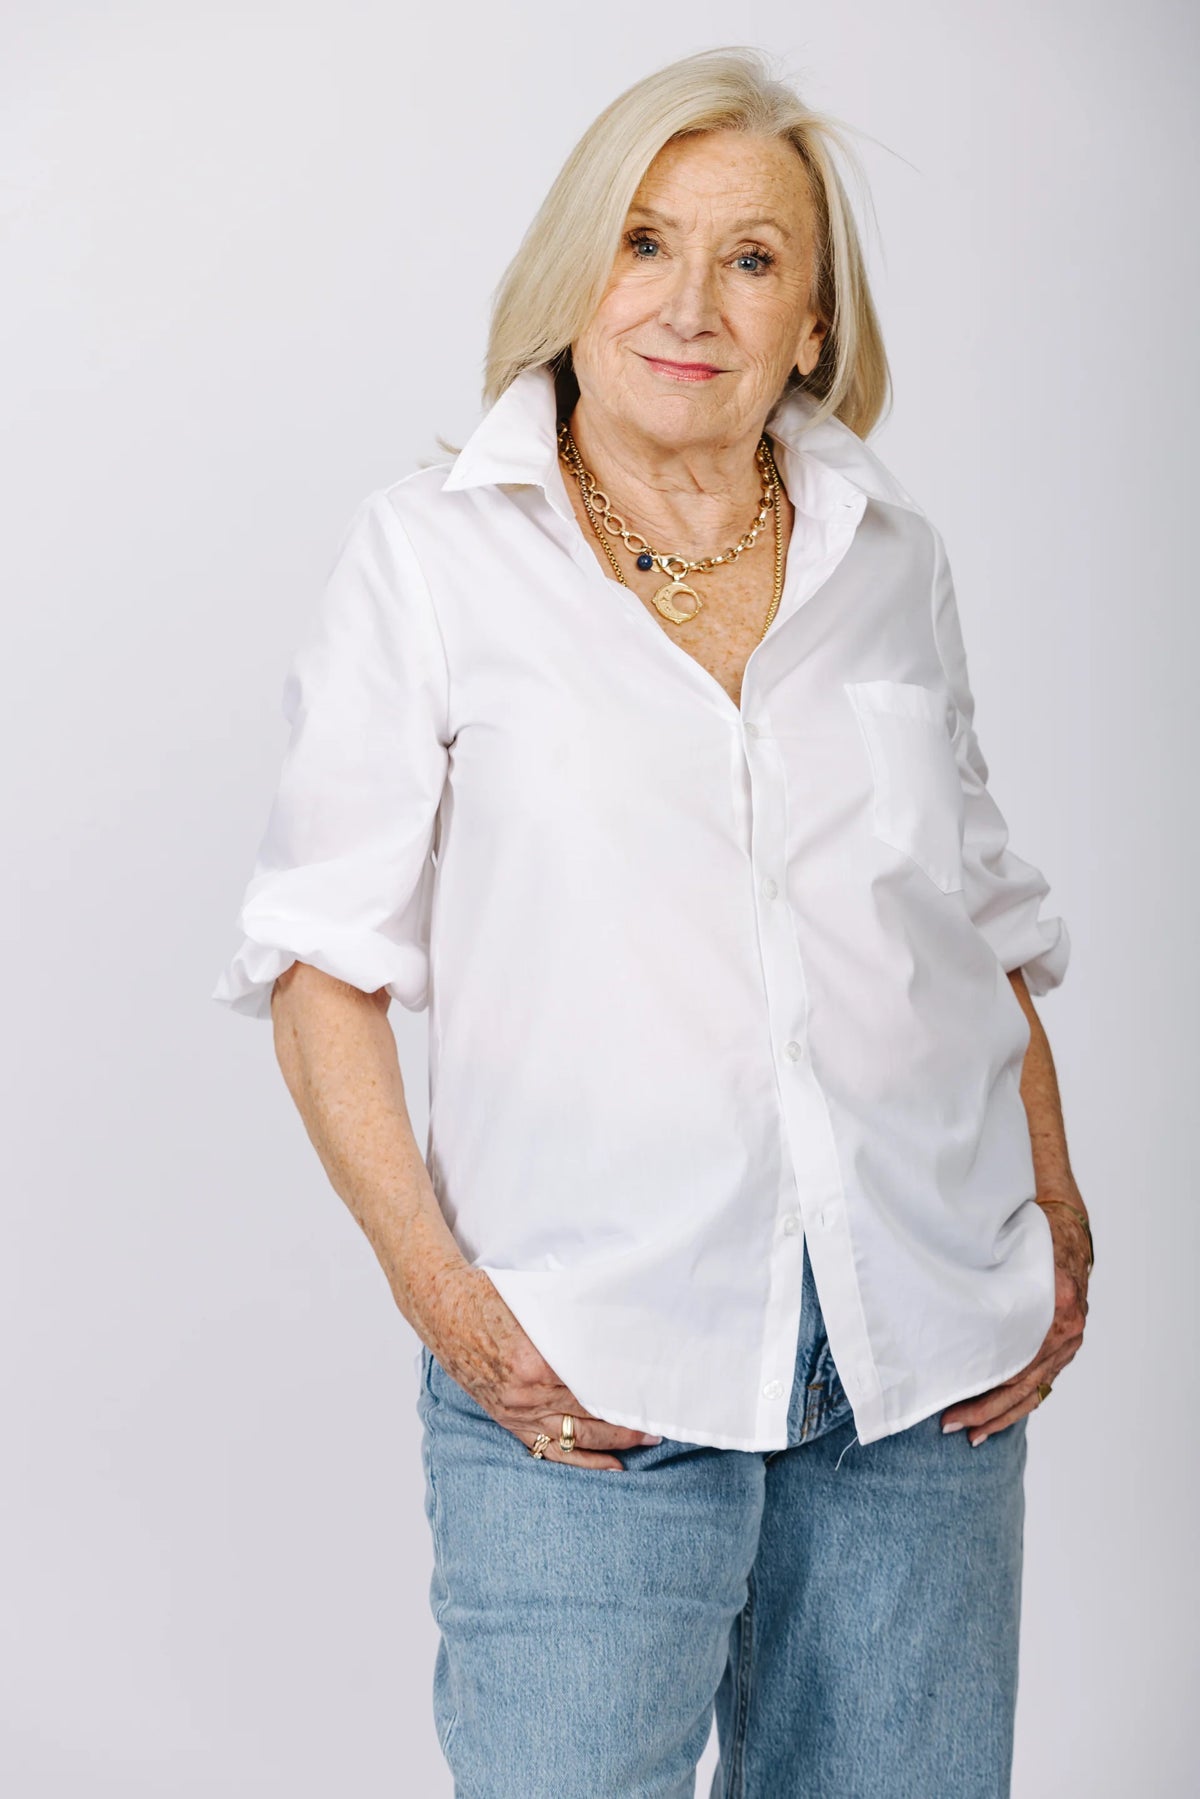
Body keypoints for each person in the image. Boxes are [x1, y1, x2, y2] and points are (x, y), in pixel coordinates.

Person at [213, 45, 1092, 1799]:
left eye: (751, 259)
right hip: (589, 1373)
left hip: (921, 1366)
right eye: (642, 243)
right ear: (575, 276)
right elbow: (320, 965)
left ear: (813, 325)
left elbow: (977, 919)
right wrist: (449, 1303)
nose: (690, 303)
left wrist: (1055, 1218)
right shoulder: (430, 561)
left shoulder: (890, 560)